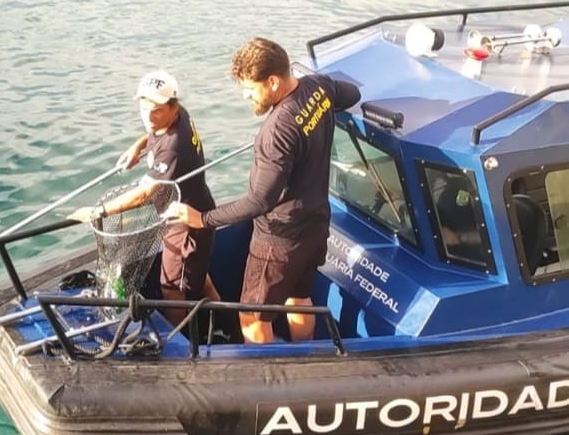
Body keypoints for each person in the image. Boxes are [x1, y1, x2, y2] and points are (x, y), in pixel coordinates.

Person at [169, 38, 361, 343]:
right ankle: (303, 362)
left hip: (278, 238)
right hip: (315, 225)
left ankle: (270, 382)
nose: (245, 95)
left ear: (272, 82)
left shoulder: (276, 132)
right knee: (299, 299)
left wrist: (201, 219)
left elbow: (260, 200)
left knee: (252, 315)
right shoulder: (319, 87)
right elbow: (352, 94)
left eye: (249, 87)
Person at [71, 70, 220, 325]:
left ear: (173, 108)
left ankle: (180, 340)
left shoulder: (173, 146)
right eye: (144, 110)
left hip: (185, 223)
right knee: (197, 274)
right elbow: (154, 132)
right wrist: (138, 146)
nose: (149, 118)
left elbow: (143, 194)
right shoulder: (177, 117)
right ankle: (226, 318)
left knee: (172, 287)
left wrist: (98, 211)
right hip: (185, 208)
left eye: (157, 111)